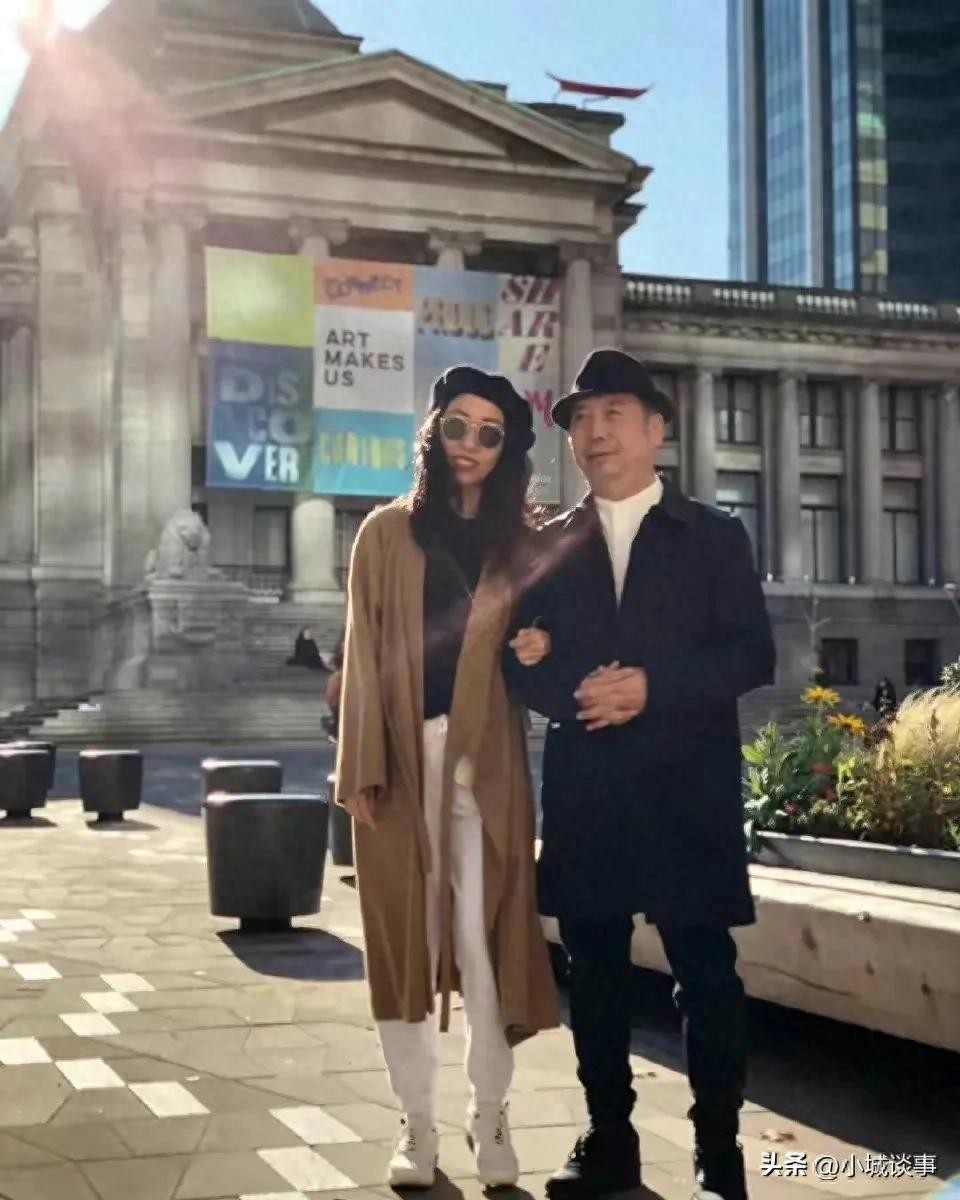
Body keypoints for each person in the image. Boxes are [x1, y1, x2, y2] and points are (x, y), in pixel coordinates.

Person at [504, 349, 776, 1200]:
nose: (594, 432)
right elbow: (518, 662)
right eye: (580, 419)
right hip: (588, 788)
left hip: (688, 787)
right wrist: (562, 682)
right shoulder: (548, 546)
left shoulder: (715, 535)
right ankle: (609, 1140)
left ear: (658, 430)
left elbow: (752, 654)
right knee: (593, 970)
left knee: (707, 971)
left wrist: (652, 688)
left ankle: (719, 1154)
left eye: (613, 414)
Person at [335, 365, 560, 1189]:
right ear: (433, 432)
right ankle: (416, 1123)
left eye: (489, 434)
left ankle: (489, 1112)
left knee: (485, 939)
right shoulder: (384, 534)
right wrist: (360, 766)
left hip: (487, 765)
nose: (470, 444)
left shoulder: (521, 545)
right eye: (457, 426)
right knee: (406, 943)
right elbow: (362, 650)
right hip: (400, 760)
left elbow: (547, 656)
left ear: (506, 452)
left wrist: (540, 647)